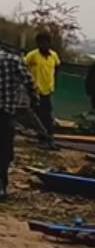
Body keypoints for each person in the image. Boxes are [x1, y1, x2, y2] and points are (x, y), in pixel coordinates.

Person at [0, 46, 38, 200]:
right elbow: (29, 81)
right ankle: (1, 185)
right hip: (5, 113)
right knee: (4, 149)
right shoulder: (13, 60)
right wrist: (34, 98)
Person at [24, 32, 61, 148]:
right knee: (42, 116)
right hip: (35, 90)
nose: (44, 45)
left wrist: (53, 83)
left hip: (48, 90)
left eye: (46, 42)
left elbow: (57, 67)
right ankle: (44, 139)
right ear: (38, 43)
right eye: (42, 43)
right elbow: (23, 66)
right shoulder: (33, 55)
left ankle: (47, 138)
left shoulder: (53, 55)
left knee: (46, 115)